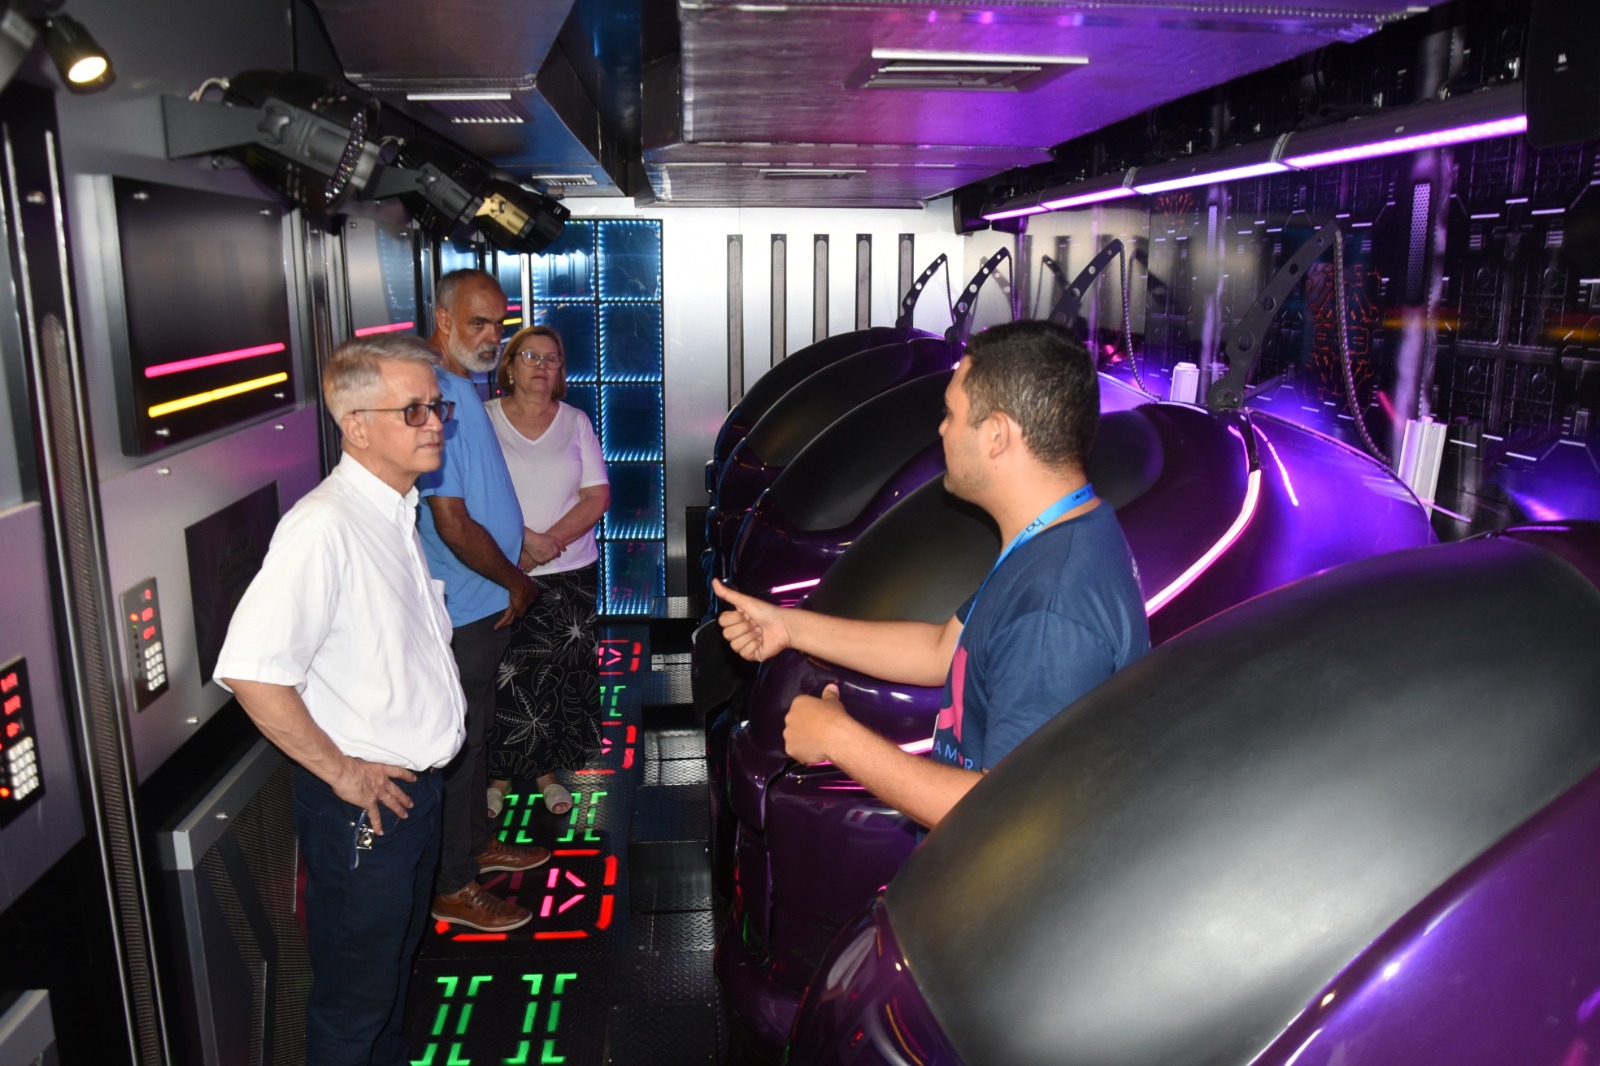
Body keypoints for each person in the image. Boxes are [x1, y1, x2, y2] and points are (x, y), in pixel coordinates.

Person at [713, 319, 1149, 830]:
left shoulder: (1054, 607)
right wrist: (789, 627)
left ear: (996, 435)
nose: (941, 429)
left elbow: (1005, 815)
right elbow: (944, 651)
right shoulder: (1054, 537)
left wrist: (838, 738)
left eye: (951, 414)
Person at [215, 334, 465, 1066]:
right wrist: (345, 774)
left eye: (436, 406)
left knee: (389, 982)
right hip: (368, 806)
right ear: (356, 425)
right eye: (413, 409)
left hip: (414, 796)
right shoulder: (324, 527)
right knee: (354, 1006)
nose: (433, 423)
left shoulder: (392, 512)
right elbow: (254, 671)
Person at [418, 268, 549, 932]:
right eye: (478, 322)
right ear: (442, 321)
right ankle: (453, 885)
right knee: (459, 752)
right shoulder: (436, 393)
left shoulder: (462, 388)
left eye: (500, 323)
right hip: (468, 603)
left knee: (476, 740)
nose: (493, 336)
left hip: (484, 598)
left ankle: (471, 848)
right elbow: (451, 521)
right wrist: (516, 580)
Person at [485, 325, 610, 819]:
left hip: (570, 570)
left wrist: (546, 545)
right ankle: (496, 776)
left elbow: (597, 495)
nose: (542, 366)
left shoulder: (575, 420)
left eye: (552, 359)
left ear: (561, 372)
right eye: (530, 356)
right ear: (509, 365)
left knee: (556, 676)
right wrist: (521, 545)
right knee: (503, 674)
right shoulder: (481, 420)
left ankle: (548, 774)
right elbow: (467, 499)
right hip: (498, 567)